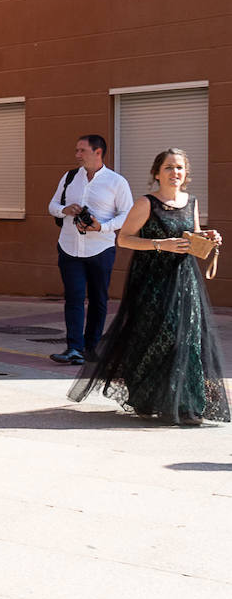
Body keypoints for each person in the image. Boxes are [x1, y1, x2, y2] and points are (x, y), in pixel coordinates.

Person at [68, 149, 227, 425]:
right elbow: (125, 239)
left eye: (179, 168)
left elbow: (192, 235)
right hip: (152, 282)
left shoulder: (191, 202)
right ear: (157, 173)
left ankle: (185, 405)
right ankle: (148, 396)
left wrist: (207, 237)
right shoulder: (146, 203)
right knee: (156, 337)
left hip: (184, 280)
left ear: (185, 173)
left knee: (186, 339)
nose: (174, 172)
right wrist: (160, 245)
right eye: (168, 167)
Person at [46, 135, 134, 365]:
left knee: (98, 299)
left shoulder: (117, 182)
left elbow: (127, 215)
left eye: (81, 150)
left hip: (101, 248)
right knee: (73, 298)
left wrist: (102, 226)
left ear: (98, 152)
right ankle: (73, 348)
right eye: (77, 150)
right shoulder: (70, 177)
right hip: (69, 247)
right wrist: (66, 209)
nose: (77, 155)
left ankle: (91, 347)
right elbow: (52, 206)